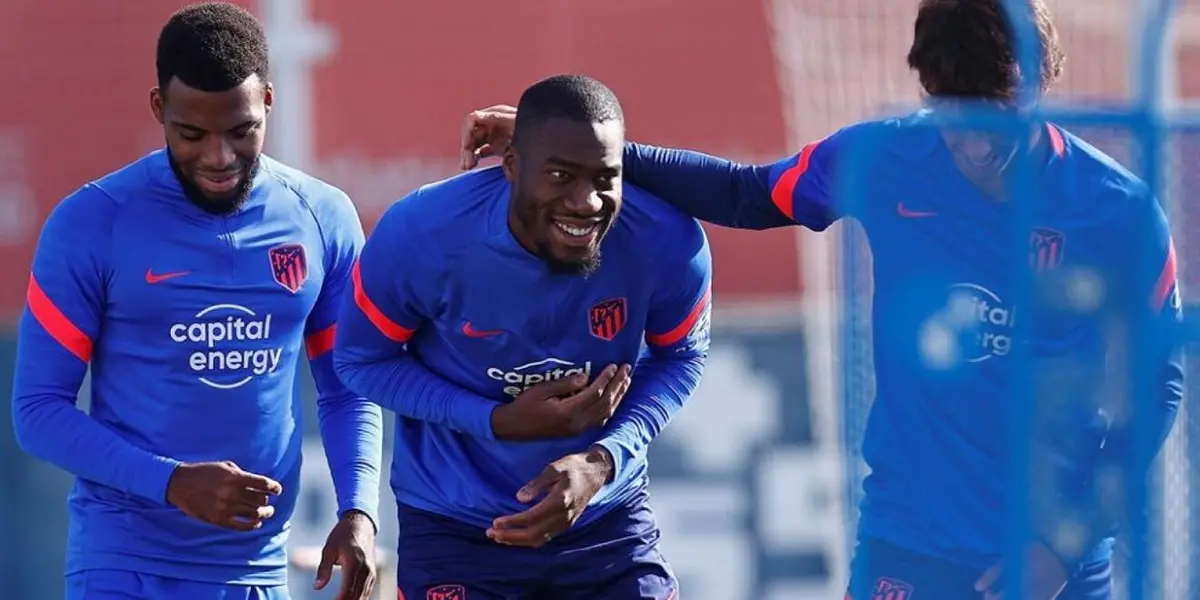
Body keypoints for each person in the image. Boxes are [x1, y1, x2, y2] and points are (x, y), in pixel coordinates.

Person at [457, 2, 1184, 599]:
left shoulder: (1115, 210)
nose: (974, 142)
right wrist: (595, 156)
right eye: (954, 113)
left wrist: (1060, 546)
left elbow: (1159, 383)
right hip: (912, 542)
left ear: (1039, 86)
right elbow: (748, 194)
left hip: (1053, 560)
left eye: (996, 113)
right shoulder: (889, 157)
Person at [12, 3, 383, 599]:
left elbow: (346, 388)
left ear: (267, 100)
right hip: (122, 565)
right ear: (159, 108)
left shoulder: (323, 217)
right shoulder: (91, 222)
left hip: (256, 570)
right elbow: (38, 411)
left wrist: (360, 511)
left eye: (241, 131)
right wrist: (172, 483)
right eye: (192, 134)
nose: (218, 158)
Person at [333, 74, 710, 600]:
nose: (586, 202)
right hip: (456, 527)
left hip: (604, 522)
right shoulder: (423, 232)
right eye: (560, 175)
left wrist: (605, 460)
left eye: (605, 178)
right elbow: (360, 362)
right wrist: (493, 420)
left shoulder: (666, 237)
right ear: (511, 165)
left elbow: (683, 356)